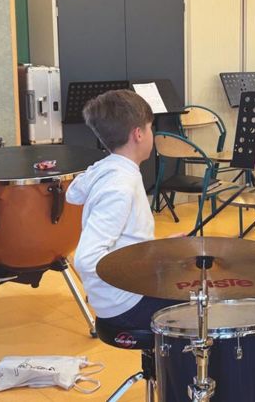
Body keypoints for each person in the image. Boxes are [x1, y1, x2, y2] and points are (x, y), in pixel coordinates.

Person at [66, 89, 180, 331]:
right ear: (138, 134)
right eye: (150, 127)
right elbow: (86, 260)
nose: (152, 133)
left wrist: (159, 248)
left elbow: (73, 193)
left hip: (126, 292)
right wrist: (155, 260)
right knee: (207, 303)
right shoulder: (119, 186)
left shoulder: (109, 167)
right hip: (125, 304)